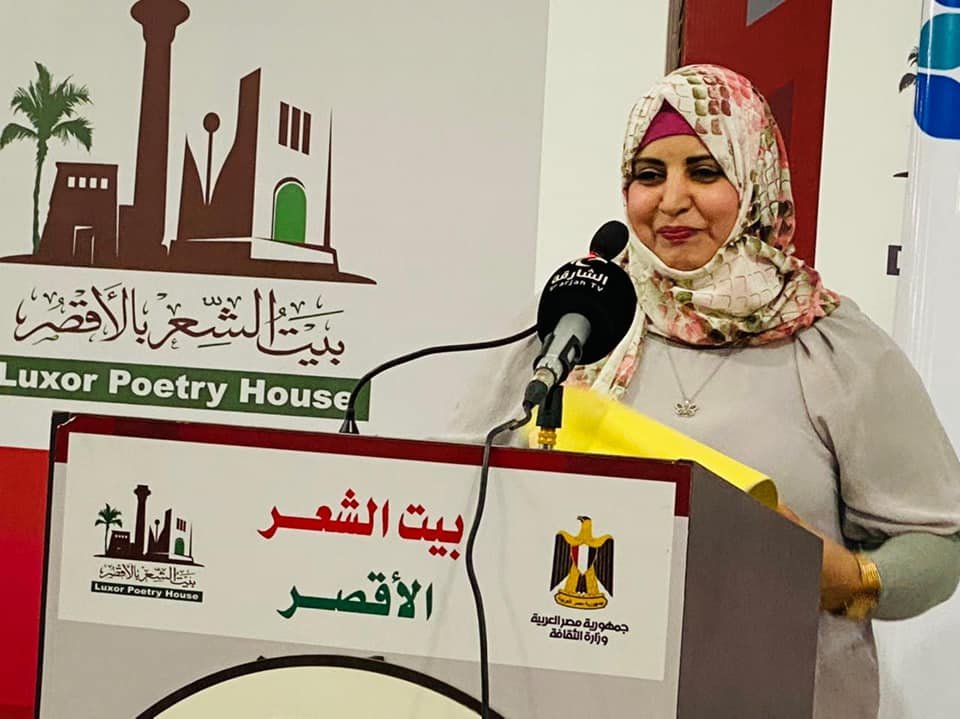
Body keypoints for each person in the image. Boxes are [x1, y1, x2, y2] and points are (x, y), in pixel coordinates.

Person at [453, 64, 960, 718]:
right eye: (649, 175)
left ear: (755, 180)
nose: (671, 200)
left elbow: (936, 547)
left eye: (703, 171)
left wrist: (849, 579)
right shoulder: (578, 323)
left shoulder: (832, 345)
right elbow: (463, 481)